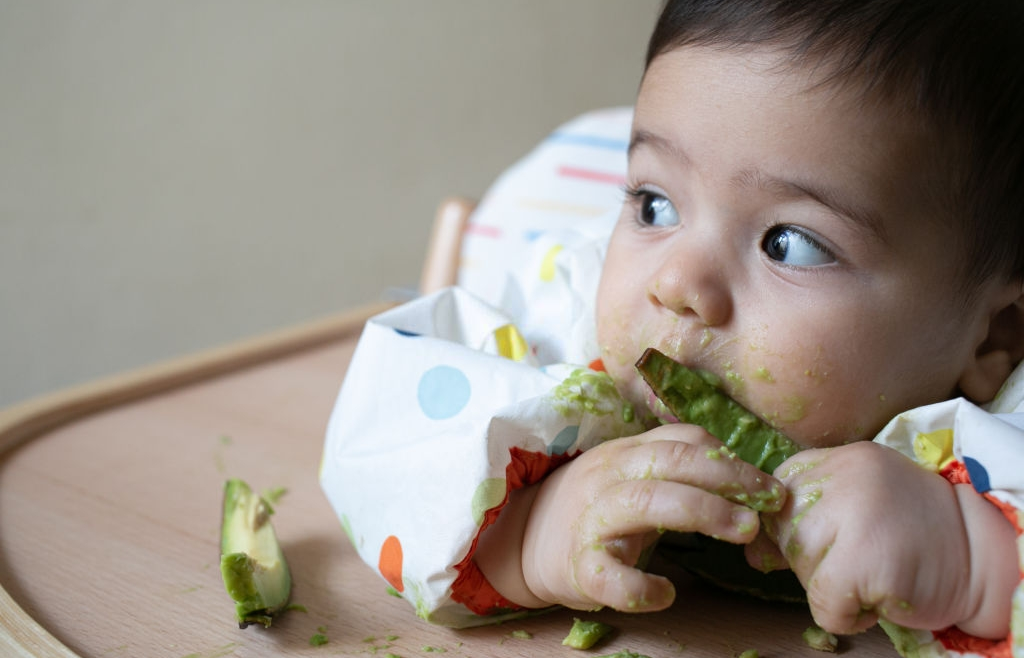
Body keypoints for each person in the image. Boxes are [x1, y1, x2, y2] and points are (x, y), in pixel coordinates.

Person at [320, 1, 1024, 655]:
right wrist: (530, 533)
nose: (677, 284)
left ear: (996, 338)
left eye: (790, 244)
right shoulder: (567, 320)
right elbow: (389, 436)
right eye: (654, 205)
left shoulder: (1007, 428)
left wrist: (975, 561)